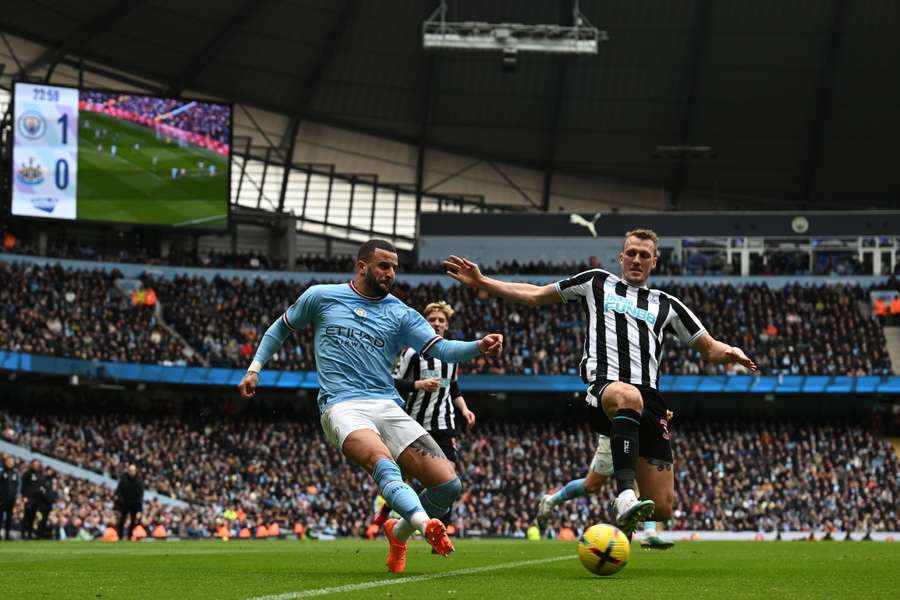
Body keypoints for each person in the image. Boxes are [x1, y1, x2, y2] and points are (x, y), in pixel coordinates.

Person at [444, 228, 757, 539]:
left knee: (661, 508)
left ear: (654, 262)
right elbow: (536, 295)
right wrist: (483, 282)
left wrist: (732, 352)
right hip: (606, 388)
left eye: (644, 255)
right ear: (621, 258)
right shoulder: (597, 282)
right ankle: (623, 496)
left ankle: (630, 498)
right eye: (631, 253)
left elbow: (710, 347)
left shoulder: (668, 305)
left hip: (651, 401)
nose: (636, 259)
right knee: (628, 397)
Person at [238, 239, 503, 573]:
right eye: (383, 265)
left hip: (387, 404)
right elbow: (281, 328)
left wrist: (479, 345)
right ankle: (424, 525)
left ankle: (398, 530)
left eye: (394, 267)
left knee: (448, 485)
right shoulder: (321, 297)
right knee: (382, 460)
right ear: (362, 266)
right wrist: (254, 369)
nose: (390, 273)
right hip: (341, 405)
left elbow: (443, 350)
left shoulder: (401, 313)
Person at [372, 301, 477, 529]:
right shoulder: (412, 352)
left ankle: (440, 528)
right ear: (425, 324)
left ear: (447, 325)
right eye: (432, 320)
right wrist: (418, 384)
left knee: (448, 478)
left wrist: (464, 409)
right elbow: (392, 382)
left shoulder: (453, 354)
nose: (437, 323)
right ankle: (388, 508)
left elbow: (453, 386)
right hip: (415, 422)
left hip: (444, 423)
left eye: (441, 320)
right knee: (404, 475)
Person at [21, 459, 49, 540]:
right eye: (35, 464)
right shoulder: (27, 474)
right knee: (27, 517)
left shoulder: (40, 474)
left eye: (38, 464)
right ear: (32, 464)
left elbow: (43, 486)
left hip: (38, 500)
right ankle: (24, 535)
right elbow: (23, 486)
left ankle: (30, 535)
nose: (36, 465)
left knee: (33, 518)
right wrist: (24, 497)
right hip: (29, 499)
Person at [115, 464, 144, 541]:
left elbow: (140, 495)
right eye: (130, 470)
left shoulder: (139, 480)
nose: (132, 472)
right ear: (128, 471)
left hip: (134, 504)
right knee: (122, 520)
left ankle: (130, 536)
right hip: (124, 504)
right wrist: (120, 503)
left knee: (134, 521)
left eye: (133, 470)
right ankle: (120, 536)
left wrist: (139, 509)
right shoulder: (124, 479)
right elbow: (119, 491)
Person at [0, 456, 19, 541]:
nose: (10, 463)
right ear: (5, 462)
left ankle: (7, 535)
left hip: (11, 499)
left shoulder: (15, 473)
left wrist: (16, 496)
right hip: (1, 499)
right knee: (0, 517)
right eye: (9, 461)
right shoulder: (1, 471)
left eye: (12, 462)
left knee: (9, 517)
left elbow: (17, 486)